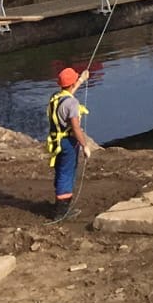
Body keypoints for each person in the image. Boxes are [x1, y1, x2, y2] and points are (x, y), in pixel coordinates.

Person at [45, 67, 97, 220]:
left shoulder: (56, 97)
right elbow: (75, 127)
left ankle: (59, 203)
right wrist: (85, 145)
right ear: (71, 82)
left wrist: (81, 80)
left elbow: (68, 95)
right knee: (67, 174)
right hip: (68, 143)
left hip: (56, 142)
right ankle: (62, 212)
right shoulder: (72, 104)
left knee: (61, 171)